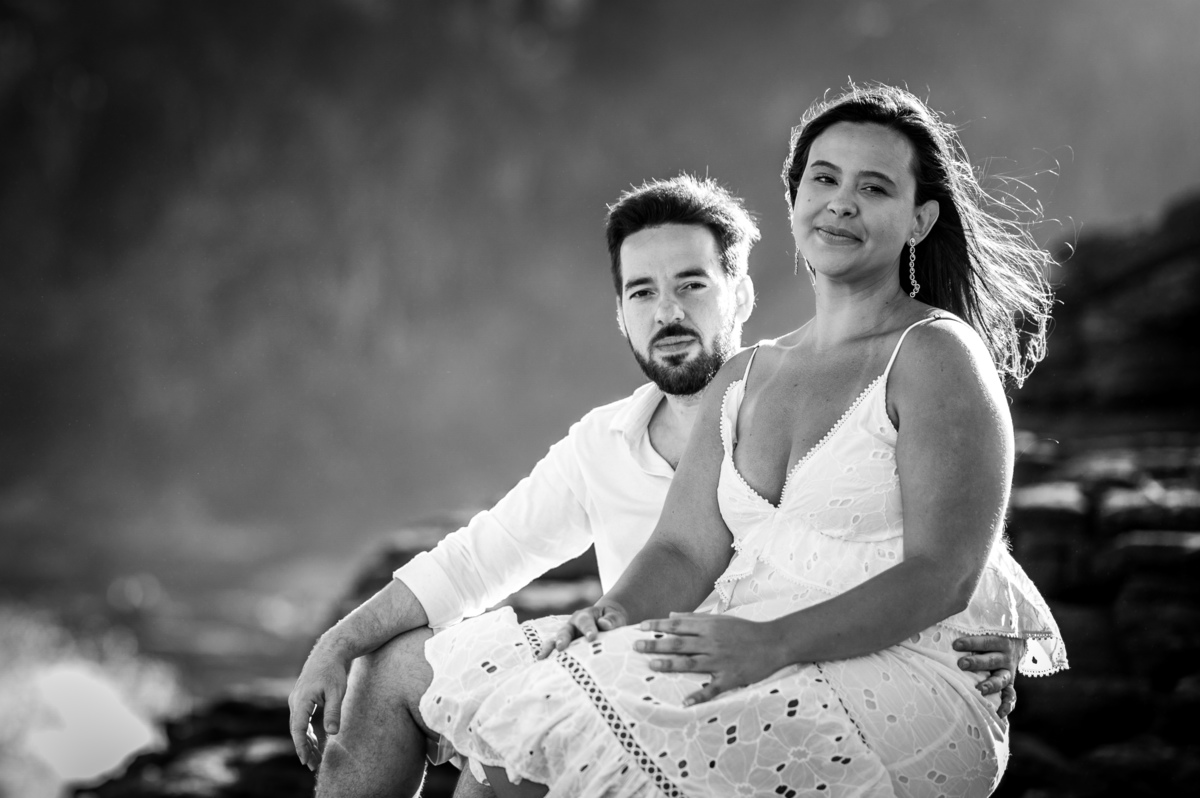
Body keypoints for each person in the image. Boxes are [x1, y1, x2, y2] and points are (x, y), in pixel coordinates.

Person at [416, 86, 1068, 798]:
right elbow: (683, 549)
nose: (841, 203)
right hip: (753, 645)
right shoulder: (746, 374)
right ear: (794, 200)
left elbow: (944, 573)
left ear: (920, 219)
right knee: (513, 744)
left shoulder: (937, 355)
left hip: (902, 676)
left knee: (560, 742)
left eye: (874, 187)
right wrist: (612, 616)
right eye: (823, 179)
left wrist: (770, 643)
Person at [288, 174, 1025, 798]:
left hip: (771, 702)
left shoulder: (825, 406)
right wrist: (337, 642)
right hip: (623, 685)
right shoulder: (603, 443)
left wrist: (988, 641)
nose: (667, 312)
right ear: (620, 315)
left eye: (691, 285)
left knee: (511, 756)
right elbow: (473, 562)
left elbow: (939, 547)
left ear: (741, 294)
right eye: (642, 292)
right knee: (391, 671)